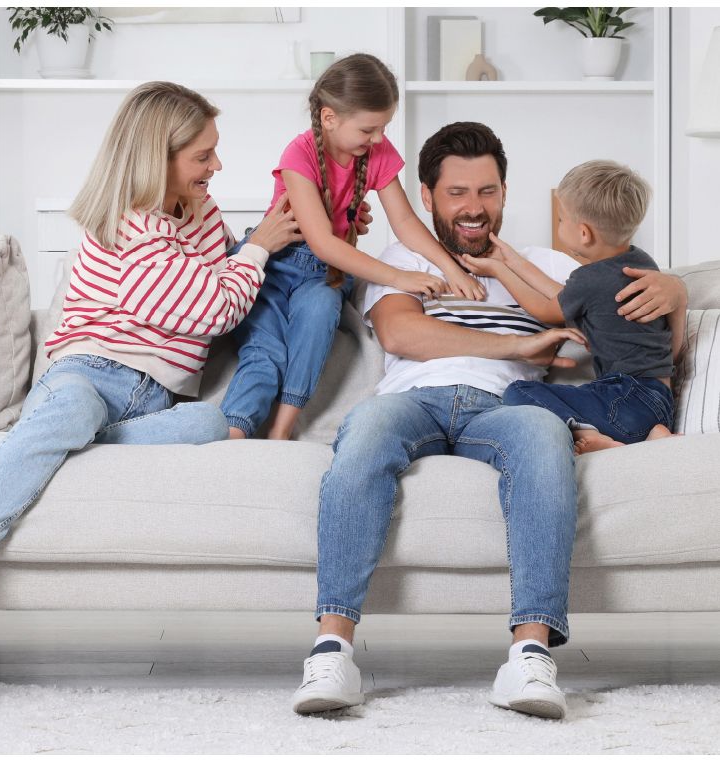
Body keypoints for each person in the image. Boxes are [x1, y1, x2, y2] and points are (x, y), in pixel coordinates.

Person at [291, 122, 687, 720]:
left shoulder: (548, 265)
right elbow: (401, 333)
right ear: (427, 197)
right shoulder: (403, 258)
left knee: (545, 439)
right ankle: (331, 652)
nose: (474, 207)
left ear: (505, 192)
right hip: (413, 399)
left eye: (487, 191)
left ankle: (531, 655)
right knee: (364, 434)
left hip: (507, 407)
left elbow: (622, 300)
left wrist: (676, 289)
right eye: (457, 193)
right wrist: (517, 346)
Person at [0, 81, 301, 608]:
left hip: (156, 398)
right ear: (157, 158)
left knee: (211, 424)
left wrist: (290, 233)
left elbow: (228, 269)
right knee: (76, 408)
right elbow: (215, 309)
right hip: (88, 372)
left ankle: (14, 445)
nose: (216, 166)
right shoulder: (134, 227)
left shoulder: (199, 210)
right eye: (203, 156)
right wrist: (257, 249)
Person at [220, 53, 485, 442]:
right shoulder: (299, 154)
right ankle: (233, 435)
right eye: (368, 129)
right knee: (266, 351)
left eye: (383, 128)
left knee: (320, 315)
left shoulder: (376, 151)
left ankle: (281, 432)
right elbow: (323, 242)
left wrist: (451, 268)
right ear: (329, 118)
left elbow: (405, 221)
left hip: (324, 275)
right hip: (275, 265)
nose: (377, 138)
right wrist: (399, 277)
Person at [461, 160, 686, 455]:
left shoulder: (589, 278)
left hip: (623, 399)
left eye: (561, 219)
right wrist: (514, 261)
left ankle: (592, 434)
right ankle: (653, 435)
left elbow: (546, 309)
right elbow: (562, 295)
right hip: (659, 402)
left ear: (583, 233)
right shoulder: (642, 264)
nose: (558, 224)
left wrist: (499, 270)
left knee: (519, 392)